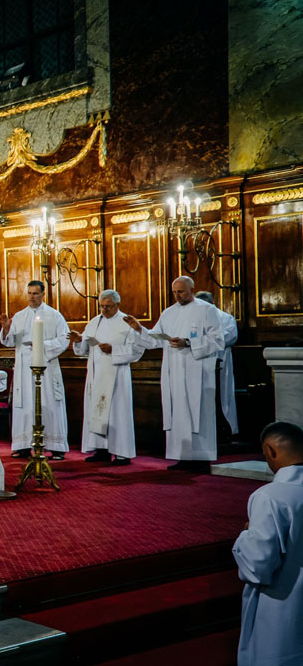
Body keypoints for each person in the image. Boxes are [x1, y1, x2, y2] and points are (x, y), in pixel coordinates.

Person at [125, 276, 225, 472]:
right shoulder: (168, 313)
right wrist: (139, 329)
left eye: (181, 292)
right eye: (175, 292)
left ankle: (201, 459)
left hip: (197, 370)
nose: (178, 296)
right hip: (174, 372)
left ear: (192, 289)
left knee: (198, 412)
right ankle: (182, 456)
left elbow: (218, 339)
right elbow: (155, 339)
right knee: (178, 412)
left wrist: (188, 343)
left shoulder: (207, 310)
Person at [232, 421, 303, 665]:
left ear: (271, 451)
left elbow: (258, 566)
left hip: (283, 604)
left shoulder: (270, 496)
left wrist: (244, 536)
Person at [69, 289, 145, 465]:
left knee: (118, 413)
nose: (104, 310)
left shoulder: (127, 323)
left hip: (116, 375)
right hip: (96, 375)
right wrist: (79, 340)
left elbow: (137, 351)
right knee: (97, 410)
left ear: (118, 305)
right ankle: (101, 449)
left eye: (108, 306)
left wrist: (114, 350)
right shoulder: (95, 322)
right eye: (102, 306)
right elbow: (84, 350)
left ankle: (121, 453)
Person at [0, 280, 71, 460]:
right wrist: (6, 329)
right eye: (29, 293)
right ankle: (24, 445)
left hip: (46, 368)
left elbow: (64, 339)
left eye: (35, 293)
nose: (32, 297)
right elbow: (9, 341)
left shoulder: (54, 315)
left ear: (43, 294)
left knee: (50, 403)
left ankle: (56, 447)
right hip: (24, 370)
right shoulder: (19, 316)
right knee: (25, 406)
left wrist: (41, 345)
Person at [196, 291, 239, 435]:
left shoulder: (225, 318)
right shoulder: (194, 319)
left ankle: (226, 428)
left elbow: (230, 337)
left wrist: (205, 343)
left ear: (212, 303)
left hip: (219, 360)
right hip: (198, 361)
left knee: (222, 394)